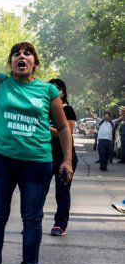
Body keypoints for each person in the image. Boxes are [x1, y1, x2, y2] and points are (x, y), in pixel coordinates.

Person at [0, 11, 74, 264]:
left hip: (36, 164)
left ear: (35, 63)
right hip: (1, 160)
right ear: (11, 62)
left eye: (27, 54)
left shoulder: (48, 91)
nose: (21, 57)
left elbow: (63, 128)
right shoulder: (0, 82)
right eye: (16, 54)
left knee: (33, 219)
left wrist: (67, 160)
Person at [47, 79, 78, 237]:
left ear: (63, 92)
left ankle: (60, 224)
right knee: (38, 191)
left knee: (62, 192)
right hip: (45, 155)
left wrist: (46, 127)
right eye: (51, 87)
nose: (55, 90)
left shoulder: (68, 110)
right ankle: (32, 224)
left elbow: (66, 132)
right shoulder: (44, 109)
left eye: (58, 88)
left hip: (64, 156)